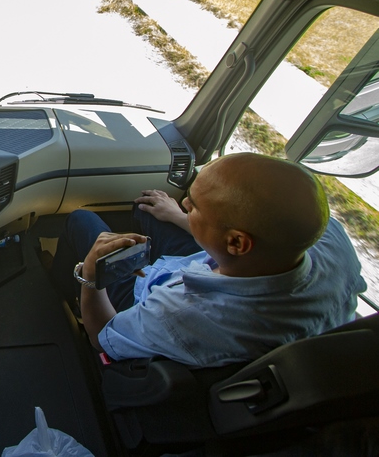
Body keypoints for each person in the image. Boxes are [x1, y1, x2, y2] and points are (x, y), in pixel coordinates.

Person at [51, 152, 367, 367]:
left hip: (147, 296)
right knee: (149, 207)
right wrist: (178, 217)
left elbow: (102, 339)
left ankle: (62, 291)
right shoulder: (329, 237)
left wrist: (91, 275)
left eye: (194, 207)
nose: (183, 202)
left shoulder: (183, 316)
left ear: (236, 242)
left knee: (82, 221)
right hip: (202, 265)